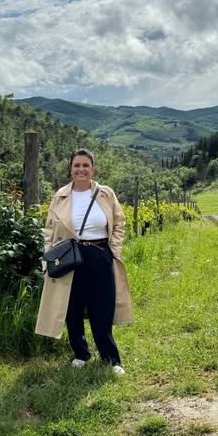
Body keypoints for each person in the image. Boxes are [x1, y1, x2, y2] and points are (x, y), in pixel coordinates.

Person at [35, 148, 132, 374]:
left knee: (103, 308)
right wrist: (47, 261)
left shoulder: (106, 194)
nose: (81, 169)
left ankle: (111, 358)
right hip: (70, 258)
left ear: (93, 169)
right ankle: (81, 354)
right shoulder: (60, 196)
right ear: (70, 169)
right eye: (77, 165)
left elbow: (119, 223)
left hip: (100, 255)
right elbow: (49, 231)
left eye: (85, 165)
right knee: (72, 309)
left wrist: (113, 249)